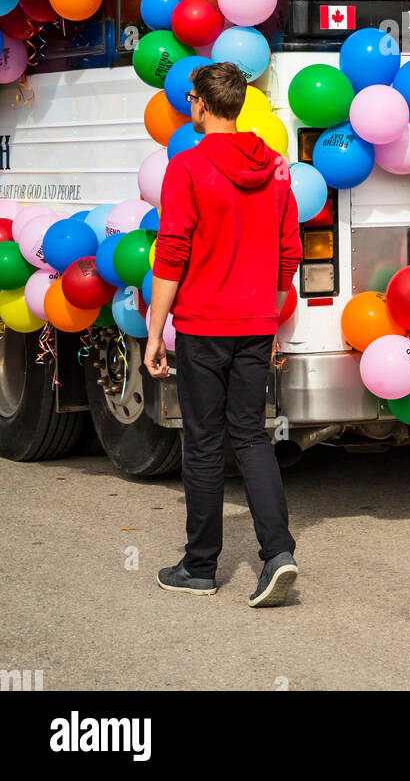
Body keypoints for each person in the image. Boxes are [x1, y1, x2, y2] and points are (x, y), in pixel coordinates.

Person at [144, 61, 302, 607]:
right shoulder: (278, 169)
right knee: (252, 436)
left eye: (190, 97)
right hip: (257, 323)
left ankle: (200, 567)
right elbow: (289, 255)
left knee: (205, 442)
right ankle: (278, 554)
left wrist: (154, 329)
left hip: (204, 324)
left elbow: (172, 254)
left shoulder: (186, 166)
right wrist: (271, 321)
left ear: (201, 105)